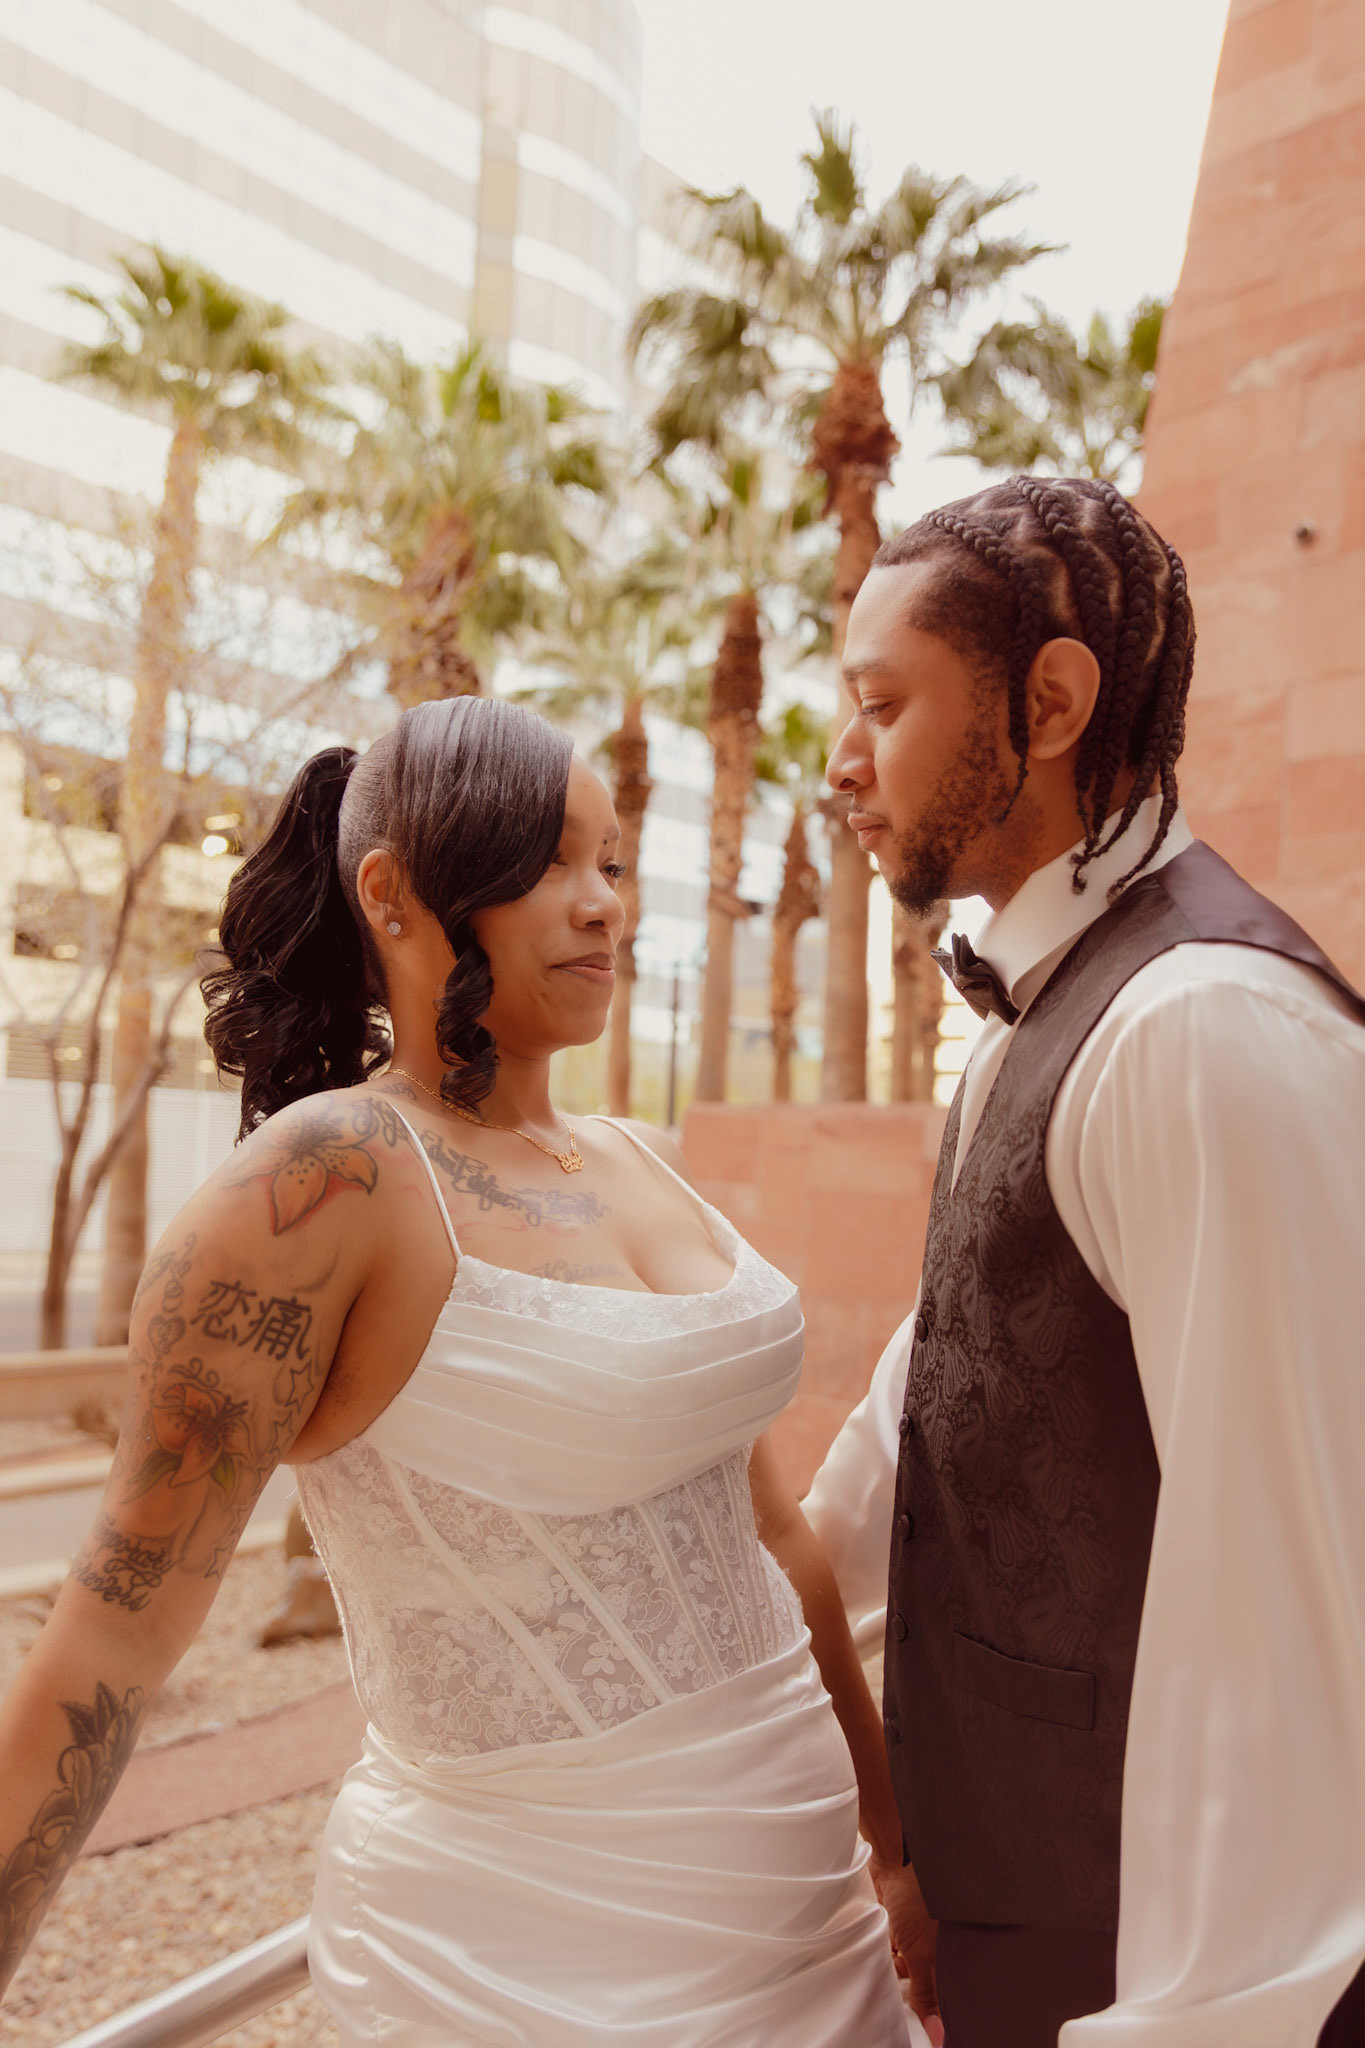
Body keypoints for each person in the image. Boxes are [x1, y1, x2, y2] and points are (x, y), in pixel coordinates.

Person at [0, 697, 916, 2045]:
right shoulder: (324, 1183)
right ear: (392, 895)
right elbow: (116, 1629)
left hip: (812, 1917)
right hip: (525, 1954)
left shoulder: (641, 1157)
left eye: (612, 863)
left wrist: (894, 1849)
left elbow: (773, 1532)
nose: (603, 904)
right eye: (549, 863)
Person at [808, 476, 1365, 2047]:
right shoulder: (1035, 1016)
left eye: (881, 705)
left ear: (1047, 704)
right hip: (1025, 1920)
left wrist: (1189, 2020)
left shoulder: (1205, 1031)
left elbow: (1284, 1599)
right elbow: (939, 1392)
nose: (840, 760)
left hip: (1163, 1968)